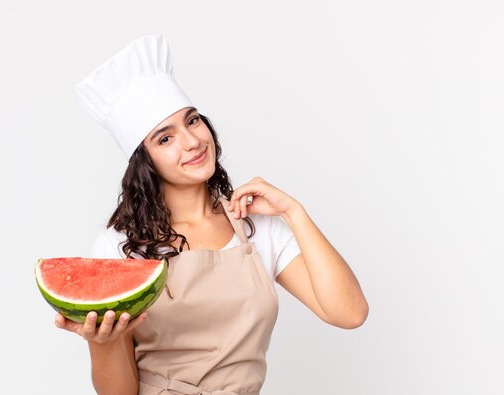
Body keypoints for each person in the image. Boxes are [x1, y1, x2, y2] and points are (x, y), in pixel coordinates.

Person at [55, 34, 369, 395]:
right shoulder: (121, 247)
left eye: (192, 121)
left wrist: (294, 213)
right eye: (165, 138)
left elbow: (349, 313)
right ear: (144, 163)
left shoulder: (257, 228)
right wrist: (102, 342)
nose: (191, 141)